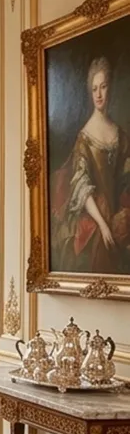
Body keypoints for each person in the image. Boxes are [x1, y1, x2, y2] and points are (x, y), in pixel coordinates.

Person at [54, 57, 130, 274]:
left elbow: (126, 178)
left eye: (103, 87)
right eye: (95, 88)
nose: (98, 94)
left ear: (110, 89)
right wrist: (104, 224)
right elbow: (81, 185)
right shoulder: (85, 138)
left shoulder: (120, 135)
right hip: (94, 211)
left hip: (118, 209)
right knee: (98, 238)